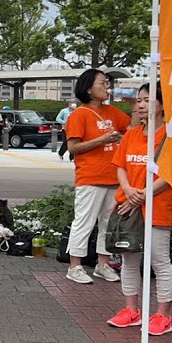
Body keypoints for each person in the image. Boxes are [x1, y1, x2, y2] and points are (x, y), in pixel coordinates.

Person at [105, 83, 172, 335]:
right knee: (129, 260)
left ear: (163, 104)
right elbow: (120, 166)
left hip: (157, 208)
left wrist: (143, 195)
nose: (142, 105)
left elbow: (170, 174)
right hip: (128, 207)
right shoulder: (132, 134)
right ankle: (131, 310)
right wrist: (127, 190)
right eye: (139, 100)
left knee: (159, 261)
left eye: (148, 100)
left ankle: (162, 315)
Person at [63, 69, 129, 284]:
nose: (107, 86)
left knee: (108, 223)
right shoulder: (79, 114)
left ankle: (103, 264)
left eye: (107, 83)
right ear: (89, 88)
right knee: (84, 221)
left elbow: (132, 128)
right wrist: (102, 140)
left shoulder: (113, 112)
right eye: (102, 83)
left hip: (113, 177)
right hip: (90, 177)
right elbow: (73, 148)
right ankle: (75, 266)